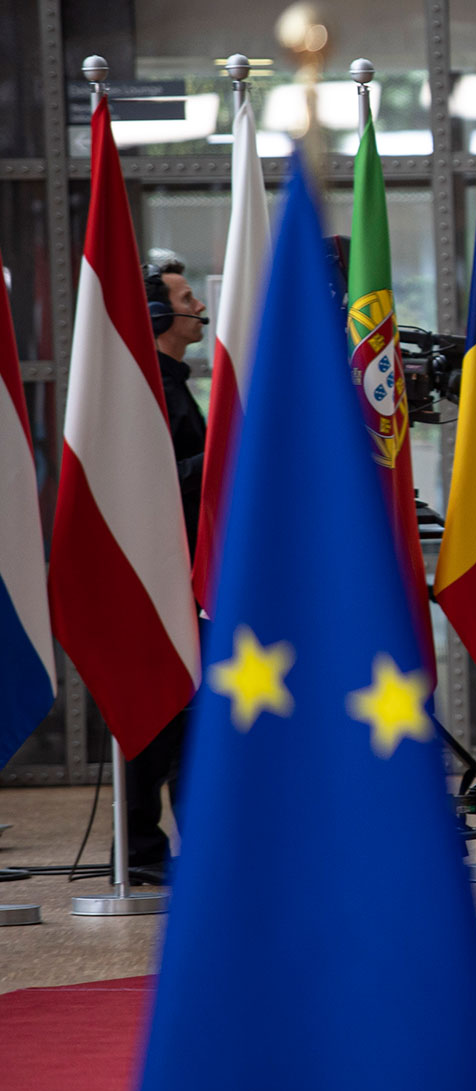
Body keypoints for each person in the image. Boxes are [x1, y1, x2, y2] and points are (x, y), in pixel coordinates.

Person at [124, 257, 209, 884]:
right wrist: (223, 455)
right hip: (153, 579)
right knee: (155, 718)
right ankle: (141, 851)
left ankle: (186, 843)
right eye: (186, 298)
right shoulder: (147, 386)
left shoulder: (177, 382)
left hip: (183, 575)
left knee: (186, 718)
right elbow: (149, 486)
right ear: (157, 313)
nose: (198, 307)